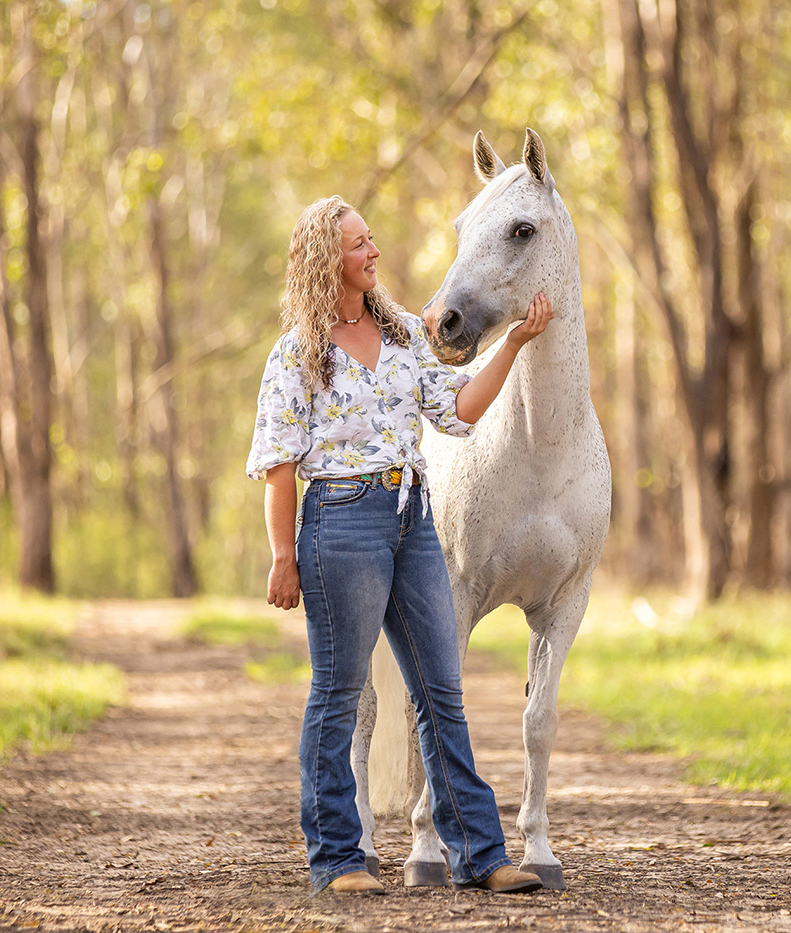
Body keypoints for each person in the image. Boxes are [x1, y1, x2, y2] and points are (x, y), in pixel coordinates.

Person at [245, 196, 553, 896]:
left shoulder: (404, 335)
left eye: (371, 239)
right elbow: (279, 465)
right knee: (338, 692)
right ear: (331, 262)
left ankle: (480, 853)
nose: (373, 252)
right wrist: (282, 554)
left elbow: (459, 409)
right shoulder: (298, 352)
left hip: (413, 518)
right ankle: (339, 859)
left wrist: (511, 344)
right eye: (359, 245)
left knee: (440, 690)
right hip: (340, 522)